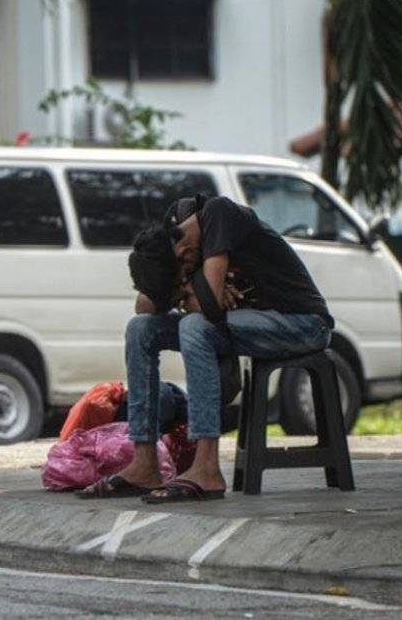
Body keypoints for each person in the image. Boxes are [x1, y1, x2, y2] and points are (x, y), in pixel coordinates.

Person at [82, 194, 333, 502]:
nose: (188, 272)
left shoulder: (219, 214)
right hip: (246, 324)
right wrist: (188, 290)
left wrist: (193, 291)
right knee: (140, 330)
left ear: (183, 250)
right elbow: (144, 307)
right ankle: (145, 463)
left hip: (302, 323)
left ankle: (207, 468)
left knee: (194, 326)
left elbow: (210, 304)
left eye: (185, 269)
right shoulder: (171, 234)